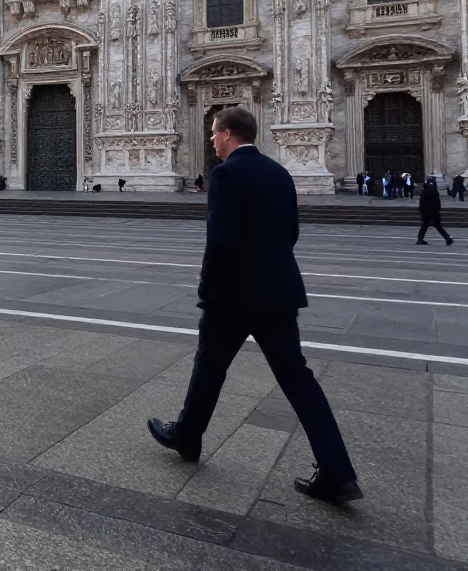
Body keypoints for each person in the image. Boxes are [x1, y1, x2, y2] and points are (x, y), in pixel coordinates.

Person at [147, 107, 361, 504]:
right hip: (279, 293)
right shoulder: (280, 173)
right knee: (299, 381)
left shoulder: (226, 175)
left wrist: (209, 290)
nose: (211, 140)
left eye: (214, 134)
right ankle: (337, 471)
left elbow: (221, 241)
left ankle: (188, 435)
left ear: (228, 134)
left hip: (232, 296)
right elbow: (290, 234)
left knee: (209, 365)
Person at [417, 178, 454, 246]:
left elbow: (422, 204)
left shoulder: (424, 192)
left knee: (425, 226)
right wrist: (437, 211)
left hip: (426, 212)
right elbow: (437, 203)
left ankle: (420, 239)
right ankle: (448, 238)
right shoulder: (435, 191)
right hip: (434, 212)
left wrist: (421, 212)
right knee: (438, 226)